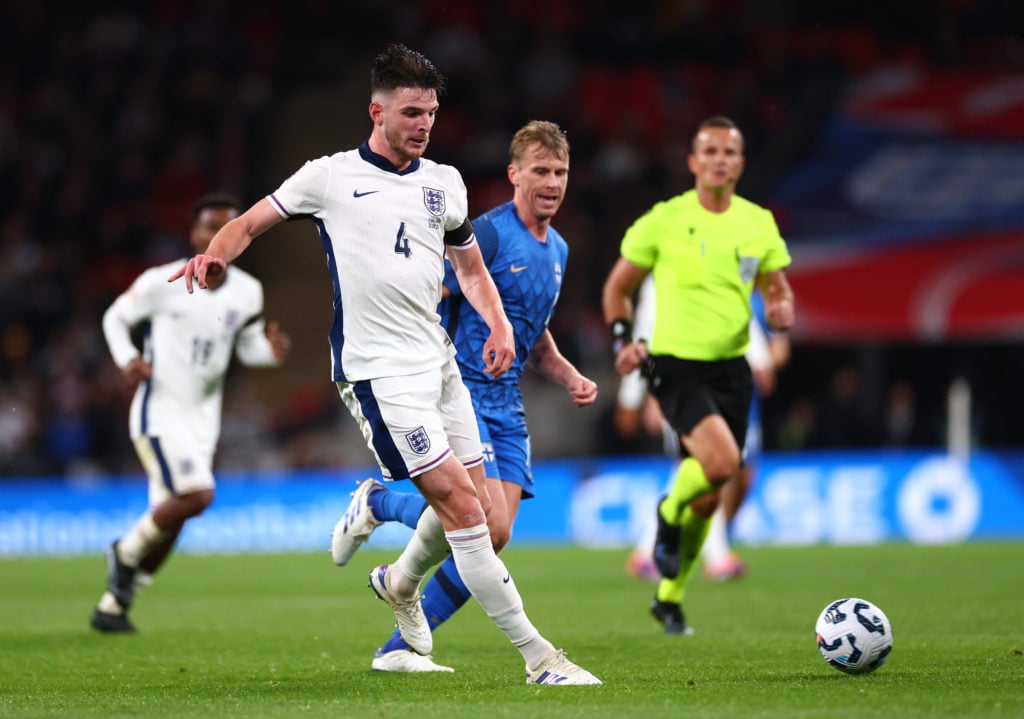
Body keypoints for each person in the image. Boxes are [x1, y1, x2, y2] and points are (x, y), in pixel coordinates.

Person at [169, 44, 600, 685]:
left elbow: (472, 269)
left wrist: (503, 325)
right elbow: (252, 222)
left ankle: (400, 582)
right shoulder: (330, 176)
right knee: (462, 508)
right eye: (411, 113)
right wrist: (216, 255)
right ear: (376, 111)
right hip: (378, 373)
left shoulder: (443, 183)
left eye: (430, 113)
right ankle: (541, 659)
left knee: (481, 510)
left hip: (441, 365)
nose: (424, 124)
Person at [328, 120, 598, 673]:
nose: (551, 182)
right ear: (514, 175)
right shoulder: (491, 232)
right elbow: (435, 288)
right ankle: (381, 504)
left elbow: (528, 329)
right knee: (485, 525)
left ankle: (397, 629)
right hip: (465, 391)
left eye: (561, 172)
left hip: (509, 405)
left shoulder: (559, 251)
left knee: (488, 537)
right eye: (540, 171)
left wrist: (567, 375)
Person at [602, 115, 795, 635]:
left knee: (709, 494)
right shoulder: (663, 221)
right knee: (724, 462)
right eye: (709, 151)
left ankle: (669, 597)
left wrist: (781, 311)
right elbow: (617, 289)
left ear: (741, 163)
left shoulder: (758, 223)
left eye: (729, 152)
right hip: (675, 366)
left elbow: (776, 290)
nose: (719, 160)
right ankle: (667, 512)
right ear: (692, 162)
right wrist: (624, 340)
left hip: (733, 368)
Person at [91, 193, 291, 633]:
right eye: (209, 227)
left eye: (227, 228)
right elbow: (114, 318)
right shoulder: (162, 281)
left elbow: (246, 346)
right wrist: (127, 359)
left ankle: (112, 605)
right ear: (194, 234)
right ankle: (123, 553)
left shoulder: (248, 291)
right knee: (198, 495)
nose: (217, 235)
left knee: (173, 518)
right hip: (159, 411)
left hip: (204, 419)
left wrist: (270, 352)